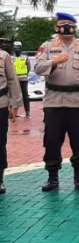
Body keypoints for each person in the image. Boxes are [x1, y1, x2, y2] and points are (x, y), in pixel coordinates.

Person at [34, 12, 79, 191]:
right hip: (54, 101)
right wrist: (54, 61)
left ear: (75, 27)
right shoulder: (47, 46)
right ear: (56, 27)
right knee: (52, 140)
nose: (66, 27)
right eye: (63, 24)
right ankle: (52, 177)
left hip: (78, 101)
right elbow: (38, 68)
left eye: (70, 24)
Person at [0, 47, 23, 194]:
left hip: (0, 104)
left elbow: (13, 80)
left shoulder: (3, 56)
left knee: (0, 142)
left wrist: (15, 104)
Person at [12, 41, 30, 117]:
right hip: (13, 79)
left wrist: (25, 74)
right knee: (13, 96)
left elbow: (29, 67)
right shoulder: (11, 58)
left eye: (18, 48)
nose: (17, 49)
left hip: (23, 79)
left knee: (25, 95)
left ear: (21, 48)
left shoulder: (25, 57)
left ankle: (27, 111)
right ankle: (13, 112)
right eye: (15, 48)